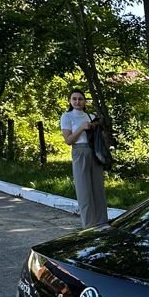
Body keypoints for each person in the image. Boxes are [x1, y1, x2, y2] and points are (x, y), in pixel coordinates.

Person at [60, 87, 109, 228]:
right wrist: (81, 128)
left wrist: (94, 125)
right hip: (79, 152)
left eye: (80, 99)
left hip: (94, 152)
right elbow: (69, 140)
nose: (77, 101)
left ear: (85, 101)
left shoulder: (91, 116)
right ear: (70, 101)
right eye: (74, 99)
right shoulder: (66, 117)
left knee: (98, 190)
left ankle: (102, 223)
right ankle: (89, 226)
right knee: (84, 191)